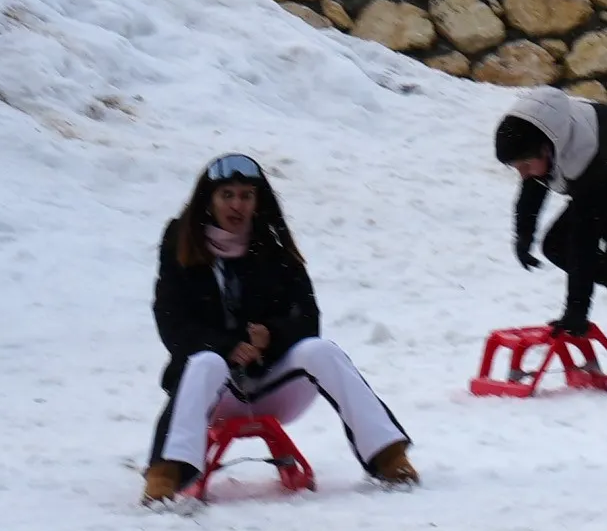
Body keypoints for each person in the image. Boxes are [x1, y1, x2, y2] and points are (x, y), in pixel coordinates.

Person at [139, 153, 416, 503]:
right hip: (211, 392)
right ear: (209, 200)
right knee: (206, 362)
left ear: (258, 201)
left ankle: (389, 456)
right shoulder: (181, 241)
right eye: (227, 195)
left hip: (273, 386)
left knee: (322, 351)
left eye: (246, 196)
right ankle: (165, 473)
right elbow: (171, 322)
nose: (236, 205)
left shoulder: (272, 244)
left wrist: (272, 335)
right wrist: (226, 346)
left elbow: (307, 318)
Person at [493, 87, 607, 373]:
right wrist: (524, 235)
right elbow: (533, 186)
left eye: (526, 164)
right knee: (556, 246)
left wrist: (577, 310)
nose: (523, 172)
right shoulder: (542, 134)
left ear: (546, 149)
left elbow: (584, 239)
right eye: (517, 167)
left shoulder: (584, 152)